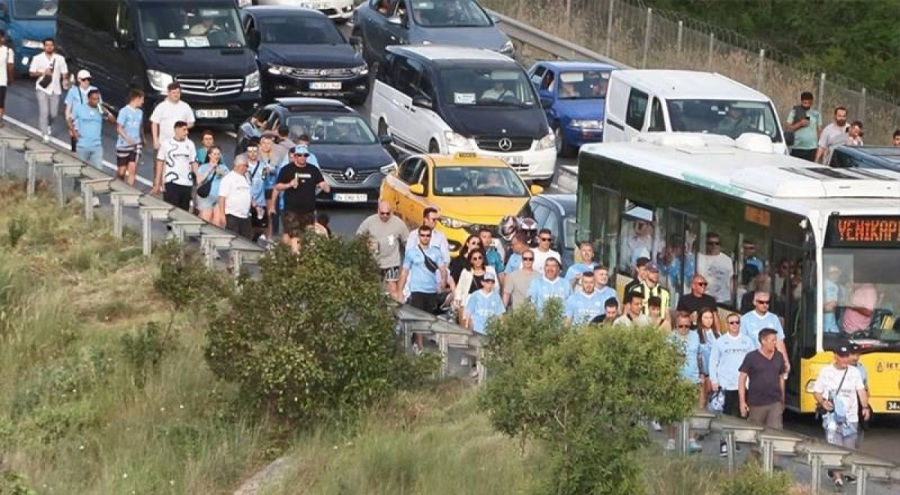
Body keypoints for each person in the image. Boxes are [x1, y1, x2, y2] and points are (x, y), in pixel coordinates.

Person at [812, 344, 870, 490]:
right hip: (831, 418)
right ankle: (837, 478)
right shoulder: (826, 372)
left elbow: (861, 390)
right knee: (835, 447)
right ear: (835, 356)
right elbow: (817, 391)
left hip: (850, 419)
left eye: (847, 356)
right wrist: (823, 402)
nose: (845, 359)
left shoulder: (854, 372)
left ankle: (840, 472)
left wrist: (865, 407)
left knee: (849, 449)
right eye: (842, 356)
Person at [708, 312, 756, 456]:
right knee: (726, 416)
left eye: (737, 322)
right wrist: (714, 380)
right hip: (726, 384)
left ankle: (735, 442)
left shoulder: (748, 341)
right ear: (727, 325)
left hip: (743, 385)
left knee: (740, 416)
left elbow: (753, 361)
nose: (735, 325)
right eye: (732, 323)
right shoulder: (720, 342)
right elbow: (713, 362)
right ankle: (724, 444)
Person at [398, 225, 448, 353]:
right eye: (423, 235)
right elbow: (405, 272)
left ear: (431, 237)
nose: (425, 238)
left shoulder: (436, 252)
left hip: (431, 290)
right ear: (418, 236)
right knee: (418, 317)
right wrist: (400, 291)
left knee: (428, 318)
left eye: (428, 235)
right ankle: (419, 345)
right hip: (417, 289)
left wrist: (442, 281)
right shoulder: (411, 252)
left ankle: (417, 340)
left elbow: (443, 269)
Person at [275, 145, 329, 253]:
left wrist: (325, 186)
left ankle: (293, 253)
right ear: (294, 156)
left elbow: (322, 183)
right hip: (292, 209)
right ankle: (296, 258)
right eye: (299, 155)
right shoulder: (287, 170)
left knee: (307, 235)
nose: (302, 158)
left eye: (305, 155)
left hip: (308, 210)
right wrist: (289, 184)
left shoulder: (313, 169)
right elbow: (278, 186)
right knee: (294, 235)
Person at [357, 201, 409, 302]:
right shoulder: (369, 221)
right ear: (378, 211)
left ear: (391, 212)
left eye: (387, 213)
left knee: (392, 287)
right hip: (373, 261)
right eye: (382, 213)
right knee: (372, 287)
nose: (385, 216)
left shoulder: (399, 223)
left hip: (391, 261)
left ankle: (395, 310)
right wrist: (367, 244)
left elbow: (406, 241)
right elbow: (359, 237)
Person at [666, 312, 703, 453]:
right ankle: (671, 440)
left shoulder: (695, 336)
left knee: (693, 410)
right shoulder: (670, 338)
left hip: (693, 379)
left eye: (687, 326)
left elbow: (698, 356)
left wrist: (702, 373)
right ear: (676, 325)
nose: (684, 329)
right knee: (673, 411)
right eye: (681, 326)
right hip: (676, 379)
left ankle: (691, 439)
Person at [738, 328, 787, 433]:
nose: (775, 343)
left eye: (775, 340)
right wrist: (742, 402)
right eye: (772, 340)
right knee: (755, 433)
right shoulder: (751, 357)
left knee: (775, 433)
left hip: (775, 402)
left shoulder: (779, 356)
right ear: (763, 341)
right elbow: (742, 379)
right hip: (757, 403)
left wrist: (782, 398)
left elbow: (781, 378)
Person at [28, 38, 68, 143]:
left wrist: (64, 79)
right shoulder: (37, 58)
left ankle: (49, 125)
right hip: (42, 88)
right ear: (44, 46)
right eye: (47, 45)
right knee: (44, 112)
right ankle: (44, 134)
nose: (49, 47)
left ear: (54, 46)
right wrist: (43, 73)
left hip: (55, 88)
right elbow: (31, 73)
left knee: (54, 113)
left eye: (51, 45)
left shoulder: (60, 59)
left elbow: (64, 72)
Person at [741, 290, 790, 375]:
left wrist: (786, 361)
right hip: (753, 363)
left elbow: (779, 342)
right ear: (754, 302)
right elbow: (742, 343)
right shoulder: (745, 319)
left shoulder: (774, 318)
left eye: (767, 302)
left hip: (771, 361)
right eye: (761, 302)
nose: (765, 305)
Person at [152, 121, 196, 211]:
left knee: (184, 212)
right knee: (172, 211)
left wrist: (198, 180)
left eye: (187, 130)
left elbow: (194, 162)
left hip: (187, 183)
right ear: (177, 130)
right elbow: (160, 162)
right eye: (184, 130)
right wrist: (157, 184)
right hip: (171, 182)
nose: (186, 132)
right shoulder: (167, 144)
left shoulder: (190, 144)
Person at [69, 89, 114, 169]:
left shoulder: (101, 110)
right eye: (94, 99)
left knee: (98, 171)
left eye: (98, 99)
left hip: (96, 146)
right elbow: (70, 120)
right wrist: (74, 132)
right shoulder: (80, 108)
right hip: (82, 146)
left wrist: (106, 112)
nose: (96, 101)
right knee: (79, 170)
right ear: (89, 99)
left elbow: (113, 121)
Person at [150, 82, 194, 152]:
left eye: (178, 93)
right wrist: (155, 140)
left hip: (182, 144)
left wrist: (182, 128)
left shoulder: (186, 106)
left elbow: (191, 122)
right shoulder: (161, 106)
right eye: (174, 93)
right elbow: (154, 123)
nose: (176, 95)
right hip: (164, 144)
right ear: (168, 93)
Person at [217, 156, 253, 240]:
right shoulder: (228, 179)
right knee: (234, 239)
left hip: (245, 216)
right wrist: (222, 215)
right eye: (246, 166)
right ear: (239, 165)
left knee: (246, 241)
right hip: (232, 215)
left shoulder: (246, 178)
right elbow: (222, 198)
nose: (247, 168)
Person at [115, 89, 144, 186]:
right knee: (121, 172)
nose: (143, 102)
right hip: (123, 145)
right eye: (142, 99)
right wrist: (127, 138)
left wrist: (142, 138)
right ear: (136, 99)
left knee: (133, 169)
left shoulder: (140, 112)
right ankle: (118, 187)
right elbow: (119, 127)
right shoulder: (124, 111)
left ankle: (129, 192)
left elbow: (140, 126)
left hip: (136, 144)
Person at [64, 69, 99, 151]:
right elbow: (68, 108)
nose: (87, 82)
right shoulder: (73, 91)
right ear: (79, 80)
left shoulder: (94, 90)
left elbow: (99, 106)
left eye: (89, 79)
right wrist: (68, 122)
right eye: (84, 80)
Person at [194, 146, 228, 226]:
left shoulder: (223, 167)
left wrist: (222, 174)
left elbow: (230, 181)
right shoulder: (203, 167)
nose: (217, 156)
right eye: (215, 154)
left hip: (219, 198)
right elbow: (198, 181)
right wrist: (210, 169)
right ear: (209, 155)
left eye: (218, 154)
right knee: (206, 221)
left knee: (217, 223)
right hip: (206, 198)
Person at [696, 232, 733, 305]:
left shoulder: (727, 260)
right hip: (704, 299)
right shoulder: (698, 258)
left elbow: (731, 280)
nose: (714, 246)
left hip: (724, 300)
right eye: (710, 243)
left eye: (717, 243)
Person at [784, 91, 821, 162]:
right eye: (805, 103)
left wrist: (818, 146)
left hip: (812, 148)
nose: (806, 105)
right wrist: (800, 124)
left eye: (809, 103)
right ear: (801, 101)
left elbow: (819, 130)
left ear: (812, 102)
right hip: (797, 147)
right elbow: (788, 128)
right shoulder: (795, 111)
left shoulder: (816, 114)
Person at [823, 265, 843, 334]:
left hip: (828, 326)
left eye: (837, 272)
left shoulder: (838, 286)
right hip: (828, 328)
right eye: (832, 273)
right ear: (827, 273)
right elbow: (830, 306)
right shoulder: (831, 285)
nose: (835, 275)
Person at [0, 31, 13, 127]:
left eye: (1, 37)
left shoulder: (8, 51)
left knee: (1, 102)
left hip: (2, 80)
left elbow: (10, 66)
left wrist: (10, 79)